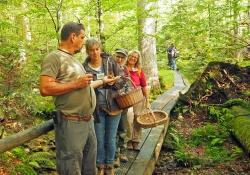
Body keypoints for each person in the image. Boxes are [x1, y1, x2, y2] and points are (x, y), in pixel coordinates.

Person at [39, 22, 116, 175]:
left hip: (88, 122)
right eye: (82, 37)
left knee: (89, 167)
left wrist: (102, 81)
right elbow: (45, 88)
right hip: (71, 122)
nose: (83, 41)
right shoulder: (54, 57)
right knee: (71, 167)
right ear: (73, 37)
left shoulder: (73, 60)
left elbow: (83, 87)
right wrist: (76, 83)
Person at [83, 38, 126, 175]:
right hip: (96, 109)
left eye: (97, 49)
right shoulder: (84, 68)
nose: (95, 53)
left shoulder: (109, 62)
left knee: (111, 138)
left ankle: (109, 165)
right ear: (87, 51)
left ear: (100, 49)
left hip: (114, 107)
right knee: (99, 140)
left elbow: (122, 80)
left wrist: (115, 83)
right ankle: (100, 166)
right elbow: (84, 89)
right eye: (91, 50)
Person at [125, 50, 149, 151]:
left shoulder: (139, 70)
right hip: (127, 98)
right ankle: (128, 140)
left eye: (135, 57)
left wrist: (147, 99)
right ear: (128, 56)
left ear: (137, 59)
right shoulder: (123, 68)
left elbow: (144, 86)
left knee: (137, 118)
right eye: (131, 56)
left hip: (139, 97)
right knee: (128, 117)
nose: (133, 58)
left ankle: (136, 141)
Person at [113, 48, 129, 168]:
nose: (119, 59)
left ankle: (122, 152)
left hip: (123, 103)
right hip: (112, 104)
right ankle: (115, 156)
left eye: (122, 57)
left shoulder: (125, 70)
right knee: (113, 132)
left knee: (122, 129)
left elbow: (128, 84)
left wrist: (127, 94)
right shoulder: (109, 68)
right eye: (117, 56)